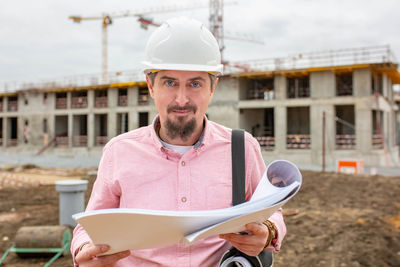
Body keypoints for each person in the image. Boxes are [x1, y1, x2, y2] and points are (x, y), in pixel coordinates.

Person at [71, 17, 286, 267]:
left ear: (212, 87)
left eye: (195, 83)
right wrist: (86, 249)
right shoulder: (119, 151)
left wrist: (268, 231)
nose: (182, 99)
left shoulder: (242, 148)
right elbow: (89, 226)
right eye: (170, 82)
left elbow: (272, 214)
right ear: (151, 86)